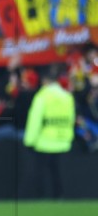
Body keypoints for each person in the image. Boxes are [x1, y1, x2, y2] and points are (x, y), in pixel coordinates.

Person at [24, 65, 76, 199]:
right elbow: (71, 118)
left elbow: (35, 119)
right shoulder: (67, 96)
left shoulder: (42, 96)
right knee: (58, 172)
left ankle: (41, 198)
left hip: (45, 140)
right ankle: (59, 197)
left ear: (44, 81)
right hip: (63, 140)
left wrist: (29, 140)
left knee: (41, 172)